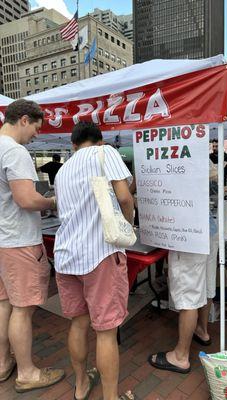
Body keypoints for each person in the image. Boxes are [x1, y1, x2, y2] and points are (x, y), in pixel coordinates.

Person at [54, 121, 135, 400]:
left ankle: (80, 385)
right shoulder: (105, 153)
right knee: (106, 332)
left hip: (66, 256)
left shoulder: (63, 170)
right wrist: (129, 223)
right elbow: (124, 197)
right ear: (99, 141)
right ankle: (110, 398)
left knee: (78, 323)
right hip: (100, 254)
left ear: (73, 145)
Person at [0, 99, 65, 392]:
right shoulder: (15, 151)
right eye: (37, 128)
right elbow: (27, 200)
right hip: (19, 240)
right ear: (24, 119)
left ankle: (3, 363)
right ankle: (27, 373)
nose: (37, 135)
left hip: (3, 240)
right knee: (23, 308)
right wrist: (53, 202)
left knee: (4, 304)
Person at [148, 161, 219, 374]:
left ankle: (180, 356)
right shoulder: (199, 154)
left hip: (187, 234)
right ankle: (202, 331)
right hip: (207, 229)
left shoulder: (174, 158)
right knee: (205, 287)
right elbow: (214, 175)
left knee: (189, 296)